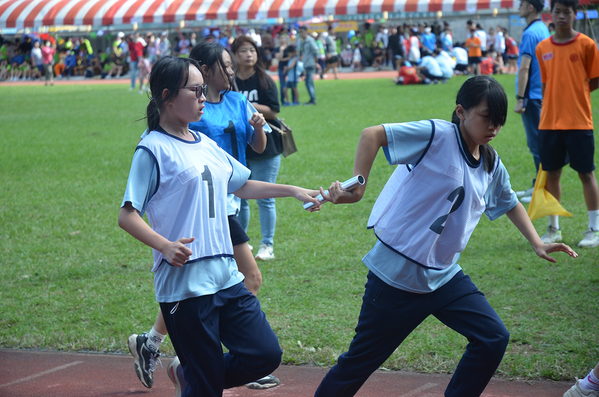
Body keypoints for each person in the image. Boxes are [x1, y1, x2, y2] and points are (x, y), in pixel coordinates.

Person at [313, 75, 578, 397]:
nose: (493, 127)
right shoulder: (437, 134)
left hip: (442, 276)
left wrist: (537, 241)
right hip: (396, 277)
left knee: (492, 337)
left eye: (499, 121)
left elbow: (508, 201)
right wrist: (359, 187)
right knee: (359, 362)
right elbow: (373, 135)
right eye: (485, 117)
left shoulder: (491, 162)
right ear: (461, 111)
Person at [119, 55, 321, 397]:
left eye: (202, 88)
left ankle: (192, 374)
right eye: (195, 90)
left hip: (226, 277)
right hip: (186, 287)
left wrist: (292, 190)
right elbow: (128, 215)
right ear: (167, 96)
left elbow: (240, 185)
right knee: (207, 385)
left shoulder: (205, 144)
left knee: (264, 353)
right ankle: (198, 377)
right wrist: (164, 245)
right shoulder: (152, 149)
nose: (202, 96)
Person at [535, 0, 599, 247]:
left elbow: (593, 80)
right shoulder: (543, 47)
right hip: (549, 123)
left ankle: (593, 228)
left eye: (566, 12)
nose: (561, 16)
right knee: (552, 174)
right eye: (557, 12)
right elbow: (545, 83)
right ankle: (554, 229)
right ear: (550, 14)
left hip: (579, 121)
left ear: (575, 14)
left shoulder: (586, 44)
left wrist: (576, 94)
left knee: (586, 173)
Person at [232, 36, 284, 261]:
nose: (248, 54)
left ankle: (267, 245)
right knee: (240, 198)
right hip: (240, 147)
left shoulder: (264, 79)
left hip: (267, 147)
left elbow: (274, 111)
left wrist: (246, 104)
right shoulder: (230, 81)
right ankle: (242, 243)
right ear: (234, 55)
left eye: (252, 50)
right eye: (243, 51)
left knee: (265, 197)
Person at [513, 0, 550, 203]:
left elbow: (525, 67)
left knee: (536, 144)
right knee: (539, 142)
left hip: (532, 96)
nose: (518, 7)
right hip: (540, 94)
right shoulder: (543, 28)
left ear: (530, 8)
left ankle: (542, 189)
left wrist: (520, 98)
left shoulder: (529, 33)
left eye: (521, 4)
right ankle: (539, 184)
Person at [299, 26, 320, 105]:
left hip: (310, 63)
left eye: (302, 32)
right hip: (307, 63)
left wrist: (315, 62)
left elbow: (315, 51)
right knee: (308, 82)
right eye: (300, 32)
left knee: (309, 82)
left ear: (306, 31)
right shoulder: (304, 41)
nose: (301, 34)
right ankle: (312, 99)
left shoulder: (310, 40)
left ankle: (313, 100)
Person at [275, 33, 290, 104]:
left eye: (284, 38)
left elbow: (292, 57)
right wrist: (281, 50)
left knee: (292, 84)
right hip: (281, 68)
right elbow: (279, 58)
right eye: (281, 38)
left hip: (290, 68)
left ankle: (293, 100)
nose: (282, 40)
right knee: (282, 84)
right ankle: (283, 100)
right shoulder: (277, 49)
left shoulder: (289, 48)